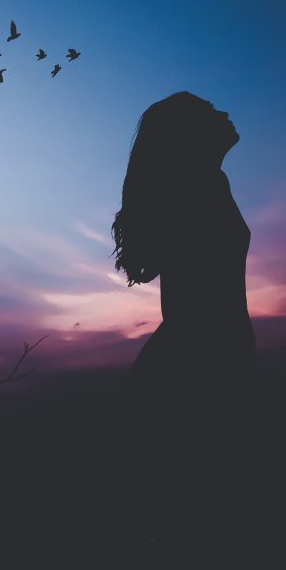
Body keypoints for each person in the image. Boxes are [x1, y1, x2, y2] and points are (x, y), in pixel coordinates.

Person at [112, 91, 256, 419]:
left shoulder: (209, 183)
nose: (224, 112)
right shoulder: (196, 189)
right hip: (200, 360)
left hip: (206, 352)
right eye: (210, 110)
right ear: (190, 132)